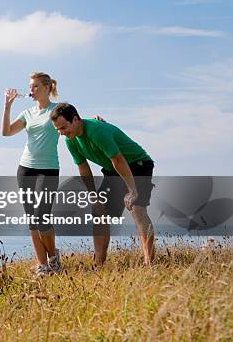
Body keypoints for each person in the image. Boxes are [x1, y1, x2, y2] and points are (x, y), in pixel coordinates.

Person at [50, 102, 155, 266]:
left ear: (76, 120)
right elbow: (83, 168)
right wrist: (93, 197)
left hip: (136, 163)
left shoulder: (97, 131)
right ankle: (99, 265)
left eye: (64, 127)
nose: (62, 133)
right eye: (58, 130)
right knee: (99, 212)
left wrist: (133, 191)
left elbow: (118, 160)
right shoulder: (71, 140)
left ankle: (149, 263)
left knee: (137, 209)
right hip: (112, 169)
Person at [1, 72, 61, 275]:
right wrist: (7, 107)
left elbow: (75, 123)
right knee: (32, 220)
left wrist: (94, 121)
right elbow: (7, 132)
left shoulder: (56, 110)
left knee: (42, 216)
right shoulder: (27, 113)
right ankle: (42, 265)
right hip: (26, 168)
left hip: (49, 169)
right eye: (30, 86)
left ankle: (53, 258)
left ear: (46, 88)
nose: (31, 90)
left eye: (35, 86)